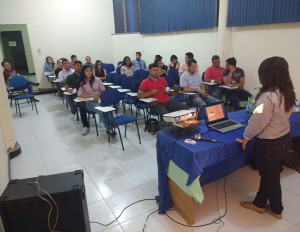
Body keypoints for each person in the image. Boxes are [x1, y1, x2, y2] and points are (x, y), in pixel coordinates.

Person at [236, 57, 296, 219]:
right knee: (270, 174)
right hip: (284, 139)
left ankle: (277, 209)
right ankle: (259, 203)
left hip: (269, 144)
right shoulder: (288, 91)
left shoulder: (267, 97)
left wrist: (246, 137)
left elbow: (257, 121)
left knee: (272, 177)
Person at [77, 65, 115, 136]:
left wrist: (98, 95)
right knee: (101, 111)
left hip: (100, 99)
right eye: (87, 71)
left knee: (108, 110)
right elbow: (80, 94)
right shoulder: (82, 81)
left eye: (90, 70)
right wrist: (91, 96)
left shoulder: (97, 79)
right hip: (90, 102)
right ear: (83, 72)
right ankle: (109, 129)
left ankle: (112, 125)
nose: (89, 72)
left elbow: (103, 90)